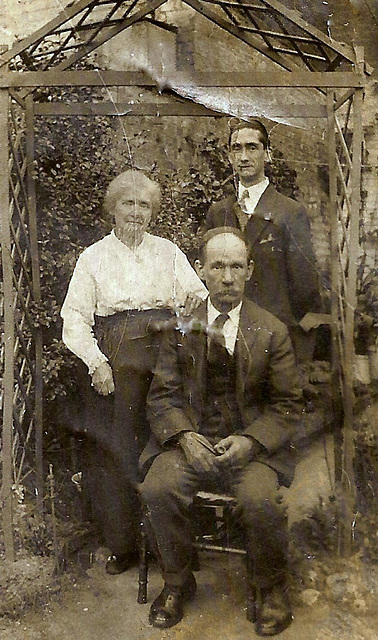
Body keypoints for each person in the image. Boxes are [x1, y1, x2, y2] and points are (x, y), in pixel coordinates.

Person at [140, 227, 302, 636]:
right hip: (191, 443)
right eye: (217, 267)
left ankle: (270, 588)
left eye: (235, 266)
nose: (227, 277)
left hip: (249, 449)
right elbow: (162, 397)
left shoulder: (271, 330)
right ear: (202, 271)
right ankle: (176, 582)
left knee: (261, 499)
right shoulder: (181, 329)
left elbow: (287, 405)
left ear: (248, 271)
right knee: (159, 487)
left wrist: (250, 441)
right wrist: (184, 437)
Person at [61, 169, 207, 575]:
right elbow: (73, 319)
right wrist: (96, 363)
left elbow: (198, 295)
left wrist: (188, 321)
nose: (136, 212)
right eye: (129, 203)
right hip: (117, 363)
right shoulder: (94, 257)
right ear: (113, 208)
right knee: (118, 452)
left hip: (164, 359)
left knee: (165, 444)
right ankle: (124, 546)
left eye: (144, 205)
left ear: (153, 212)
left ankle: (168, 548)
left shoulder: (168, 252)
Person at [205, 118, 322, 361]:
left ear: (267, 154)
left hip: (274, 336)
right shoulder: (219, 212)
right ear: (229, 157)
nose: (244, 156)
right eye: (236, 148)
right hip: (227, 336)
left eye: (252, 147)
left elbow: (304, 284)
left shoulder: (289, 212)